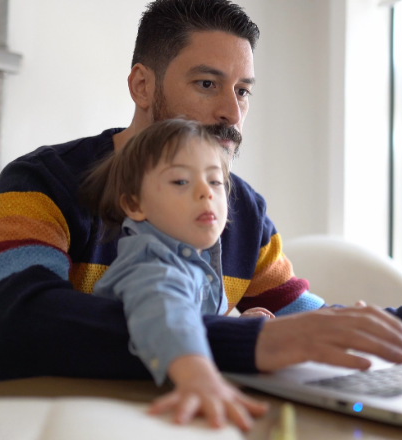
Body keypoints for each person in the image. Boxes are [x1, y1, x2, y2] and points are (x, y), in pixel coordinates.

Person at [0, 0, 402, 428]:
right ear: (143, 85)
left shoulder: (240, 209)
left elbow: (315, 323)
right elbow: (21, 325)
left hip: (188, 422)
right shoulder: (40, 181)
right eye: (207, 84)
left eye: (242, 91)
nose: (231, 113)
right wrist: (252, 342)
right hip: (50, 426)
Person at [83, 119, 274, 429]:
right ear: (134, 203)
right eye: (180, 182)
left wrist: (239, 328)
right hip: (123, 408)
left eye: (214, 182)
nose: (205, 193)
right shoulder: (151, 262)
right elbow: (168, 313)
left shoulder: (195, 257)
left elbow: (197, 323)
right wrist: (199, 376)